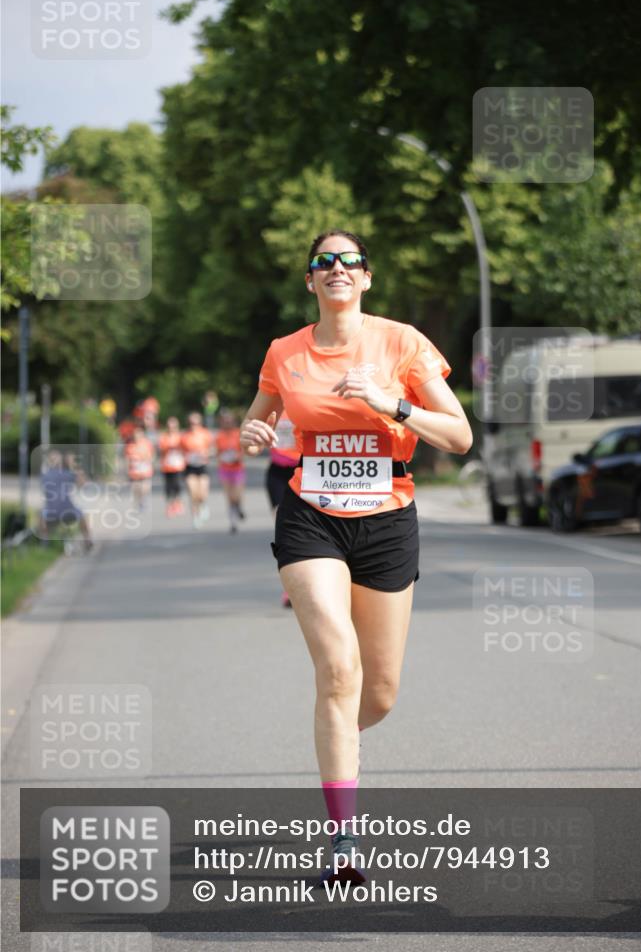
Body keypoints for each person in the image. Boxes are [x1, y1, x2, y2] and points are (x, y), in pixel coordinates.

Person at [240, 230, 473, 886]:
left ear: (366, 277)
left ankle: (336, 734)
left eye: (349, 261)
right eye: (324, 261)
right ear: (310, 280)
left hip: (388, 520)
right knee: (338, 669)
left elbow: (459, 435)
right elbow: (258, 425)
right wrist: (253, 436)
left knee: (379, 692)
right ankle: (343, 840)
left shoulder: (402, 342)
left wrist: (389, 403)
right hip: (310, 516)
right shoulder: (284, 352)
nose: (336, 268)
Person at [265, 413, 300, 606]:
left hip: (303, 470)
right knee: (284, 530)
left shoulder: (305, 401)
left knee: (303, 531)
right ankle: (289, 587)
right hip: (278, 471)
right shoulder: (272, 405)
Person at [39, 449, 93, 551]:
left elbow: (82, 484)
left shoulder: (46, 475)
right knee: (82, 515)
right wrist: (73, 466)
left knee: (42, 514)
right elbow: (83, 484)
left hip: (56, 510)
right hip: (64, 510)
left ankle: (44, 543)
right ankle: (87, 540)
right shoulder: (65, 474)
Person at [181, 412, 213, 528]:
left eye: (196, 423)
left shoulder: (205, 434)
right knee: (193, 493)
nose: (193, 425)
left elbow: (212, 449)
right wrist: (186, 456)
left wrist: (205, 453)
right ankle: (195, 517)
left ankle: (203, 505)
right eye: (191, 423)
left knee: (202, 493)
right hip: (190, 467)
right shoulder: (185, 436)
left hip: (202, 465)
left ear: (200, 423)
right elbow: (181, 451)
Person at [216, 409, 246, 533]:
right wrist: (221, 458)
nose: (227, 423)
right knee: (229, 498)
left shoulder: (238, 434)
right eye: (225, 421)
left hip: (237, 469)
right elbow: (217, 453)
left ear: (233, 422)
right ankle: (233, 522)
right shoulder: (219, 436)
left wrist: (237, 457)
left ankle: (239, 507)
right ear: (222, 422)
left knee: (237, 496)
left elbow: (244, 451)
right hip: (225, 469)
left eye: (229, 421)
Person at [158, 417, 186, 517]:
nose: (171, 428)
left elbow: (185, 448)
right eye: (169, 426)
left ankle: (177, 503)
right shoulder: (163, 437)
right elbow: (161, 449)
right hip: (167, 465)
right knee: (168, 486)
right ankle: (170, 505)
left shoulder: (181, 436)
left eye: (173, 426)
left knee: (177, 484)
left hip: (178, 465)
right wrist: (168, 448)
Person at [124, 423, 154, 511]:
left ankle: (144, 499)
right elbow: (127, 458)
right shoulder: (129, 445)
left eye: (139, 433)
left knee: (144, 487)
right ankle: (139, 500)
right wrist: (127, 468)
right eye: (135, 434)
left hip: (145, 469)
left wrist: (147, 460)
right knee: (135, 488)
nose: (137, 435)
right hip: (134, 470)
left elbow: (152, 455)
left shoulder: (147, 444)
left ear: (142, 434)